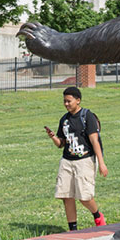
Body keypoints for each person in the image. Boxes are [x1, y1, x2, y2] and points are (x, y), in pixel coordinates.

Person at [44, 86, 107, 230]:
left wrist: (102, 163)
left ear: (78, 100)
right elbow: (61, 144)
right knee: (66, 195)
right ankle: (72, 229)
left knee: (84, 197)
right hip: (67, 160)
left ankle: (97, 215)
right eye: (64, 101)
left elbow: (94, 141)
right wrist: (53, 137)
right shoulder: (64, 119)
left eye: (69, 101)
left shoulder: (87, 116)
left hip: (84, 160)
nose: (66, 104)